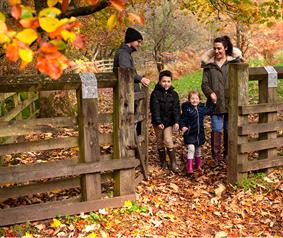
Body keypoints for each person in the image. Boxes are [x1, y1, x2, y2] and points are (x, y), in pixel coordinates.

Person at [201, 35, 242, 163]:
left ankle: (227, 155)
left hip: (230, 103)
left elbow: (242, 79)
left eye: (219, 48)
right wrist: (210, 93)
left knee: (228, 129)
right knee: (216, 129)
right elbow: (204, 84)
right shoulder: (209, 65)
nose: (217, 51)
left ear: (225, 48)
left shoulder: (234, 63)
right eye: (214, 48)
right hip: (215, 104)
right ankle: (216, 157)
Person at [113, 27, 150, 135]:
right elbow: (126, 73)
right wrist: (141, 79)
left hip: (128, 94)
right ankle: (131, 146)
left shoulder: (125, 53)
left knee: (131, 121)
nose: (139, 44)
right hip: (127, 94)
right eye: (138, 41)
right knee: (130, 121)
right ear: (131, 40)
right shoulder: (123, 54)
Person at [150, 70, 180, 172]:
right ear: (159, 81)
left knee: (167, 139)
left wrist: (176, 122)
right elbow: (154, 109)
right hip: (157, 122)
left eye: (168, 81)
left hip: (169, 122)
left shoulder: (174, 94)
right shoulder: (155, 94)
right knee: (159, 141)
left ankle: (173, 163)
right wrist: (158, 122)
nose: (166, 83)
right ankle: (163, 162)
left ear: (171, 82)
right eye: (164, 81)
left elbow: (176, 109)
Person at [180, 91, 215, 174]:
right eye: (192, 99)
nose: (194, 100)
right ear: (189, 100)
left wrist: (213, 102)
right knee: (191, 148)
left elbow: (210, 110)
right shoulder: (187, 109)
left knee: (198, 150)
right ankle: (190, 167)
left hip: (199, 134)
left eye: (196, 98)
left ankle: (198, 165)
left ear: (199, 100)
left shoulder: (202, 109)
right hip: (190, 133)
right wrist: (183, 126)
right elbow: (182, 119)